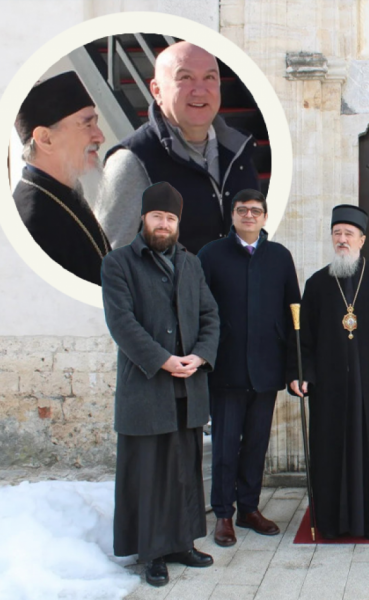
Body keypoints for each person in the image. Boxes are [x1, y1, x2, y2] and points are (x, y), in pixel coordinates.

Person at [102, 182, 220, 587]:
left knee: (185, 470)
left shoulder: (191, 263)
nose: (164, 224)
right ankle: (151, 553)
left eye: (171, 218)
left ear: (178, 223)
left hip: (187, 386)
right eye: (158, 217)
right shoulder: (118, 263)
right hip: (147, 386)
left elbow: (210, 315)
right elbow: (122, 324)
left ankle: (181, 542)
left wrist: (200, 355)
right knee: (149, 473)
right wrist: (163, 360)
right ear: (144, 218)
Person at [288, 205, 369, 540]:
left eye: (348, 234)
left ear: (362, 239)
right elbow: (304, 337)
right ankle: (333, 519)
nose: (342, 239)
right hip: (330, 386)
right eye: (337, 233)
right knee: (332, 449)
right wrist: (300, 374)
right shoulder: (316, 283)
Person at [198, 189, 301, 546]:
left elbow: (294, 315)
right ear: (232, 215)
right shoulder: (211, 255)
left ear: (265, 217)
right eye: (242, 210)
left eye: (255, 210)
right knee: (226, 445)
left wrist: (293, 368)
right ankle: (223, 514)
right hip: (225, 368)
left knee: (256, 443)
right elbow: (198, 311)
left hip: (266, 369)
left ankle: (249, 508)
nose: (248, 215)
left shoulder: (278, 257)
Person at [96, 41, 260, 254]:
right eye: (185, 78)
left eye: (209, 77)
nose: (200, 90)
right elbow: (107, 261)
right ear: (156, 90)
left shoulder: (239, 151)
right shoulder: (132, 161)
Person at [13, 71, 110, 284]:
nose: (100, 136)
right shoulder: (33, 220)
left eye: (96, 123)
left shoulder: (67, 190)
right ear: (45, 139)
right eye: (87, 125)